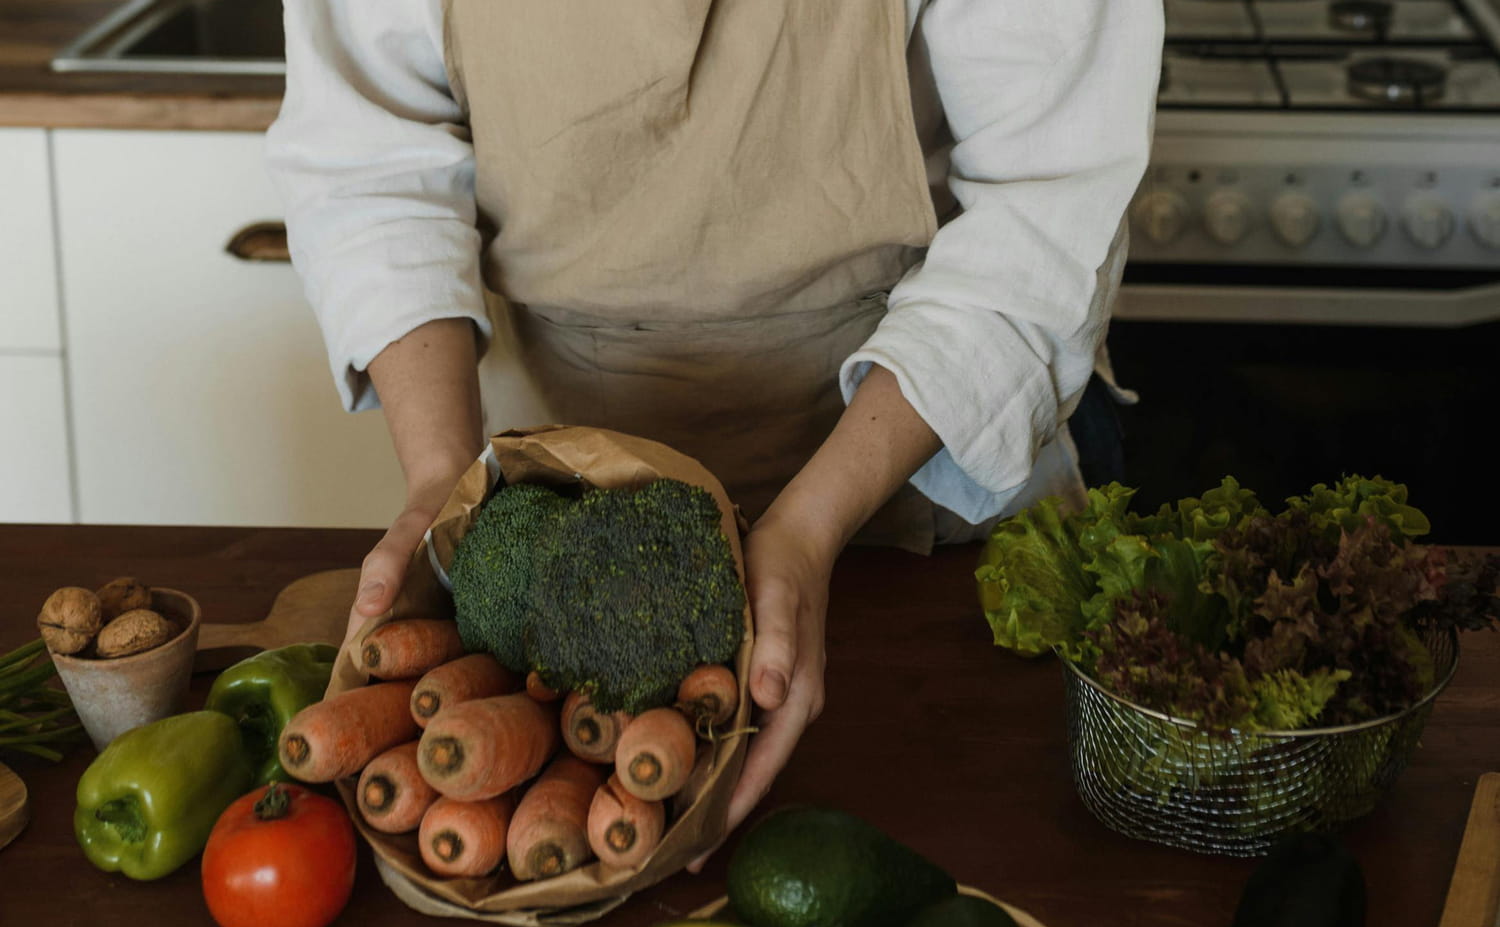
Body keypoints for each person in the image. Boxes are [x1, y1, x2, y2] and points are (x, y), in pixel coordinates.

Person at [266, 0, 1163, 859]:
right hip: (556, 498)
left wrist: (811, 525)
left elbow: (1044, 209)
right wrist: (441, 477)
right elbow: (371, 165)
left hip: (913, 471)